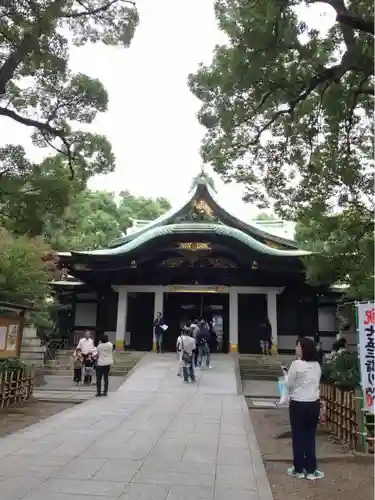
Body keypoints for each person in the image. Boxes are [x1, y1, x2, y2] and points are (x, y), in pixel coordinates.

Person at [287, 337, 324, 480]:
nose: (296, 348)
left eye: (298, 346)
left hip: (298, 403)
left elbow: (290, 384)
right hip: (313, 403)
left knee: (298, 436)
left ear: (304, 349)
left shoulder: (296, 364)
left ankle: (298, 469)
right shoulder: (317, 365)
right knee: (310, 436)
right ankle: (311, 469)